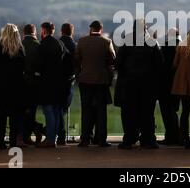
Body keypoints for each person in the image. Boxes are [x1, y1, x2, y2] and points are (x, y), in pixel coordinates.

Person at [116, 19, 164, 149]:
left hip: (129, 83)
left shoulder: (126, 41)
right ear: (145, 28)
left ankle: (129, 139)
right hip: (148, 84)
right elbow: (159, 65)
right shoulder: (152, 43)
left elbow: (118, 62)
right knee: (148, 113)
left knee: (129, 112)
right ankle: (148, 139)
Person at [76, 21, 115, 148]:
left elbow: (76, 61)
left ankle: (85, 139)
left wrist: (79, 76)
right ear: (101, 29)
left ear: (90, 29)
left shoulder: (81, 41)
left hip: (85, 80)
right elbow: (112, 59)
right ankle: (101, 139)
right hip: (101, 81)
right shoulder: (106, 42)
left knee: (86, 111)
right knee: (101, 111)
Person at [0, 24, 26, 150]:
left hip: (0, 86)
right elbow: (23, 68)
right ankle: (13, 141)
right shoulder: (20, 49)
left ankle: (1, 141)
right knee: (14, 116)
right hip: (16, 86)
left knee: (2, 115)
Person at [37, 22, 66, 148]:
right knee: (55, 111)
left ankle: (49, 139)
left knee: (48, 112)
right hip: (59, 83)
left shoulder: (43, 45)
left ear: (43, 31)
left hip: (46, 83)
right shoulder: (59, 44)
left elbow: (39, 65)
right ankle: (53, 138)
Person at [159, 28, 181, 146]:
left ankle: (170, 136)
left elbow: (160, 64)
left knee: (166, 111)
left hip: (164, 83)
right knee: (174, 110)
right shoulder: (182, 47)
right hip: (178, 83)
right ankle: (177, 135)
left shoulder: (165, 47)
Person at [22, 24, 44, 145]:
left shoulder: (20, 45)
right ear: (34, 32)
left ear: (24, 33)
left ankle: (28, 134)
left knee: (23, 111)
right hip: (35, 83)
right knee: (32, 110)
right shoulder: (38, 46)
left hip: (22, 83)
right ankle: (36, 129)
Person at [58, 23, 77, 145]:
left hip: (57, 80)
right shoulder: (75, 46)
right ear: (72, 32)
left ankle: (59, 134)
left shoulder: (57, 44)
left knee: (56, 109)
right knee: (63, 108)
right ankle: (62, 134)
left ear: (61, 31)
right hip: (70, 80)